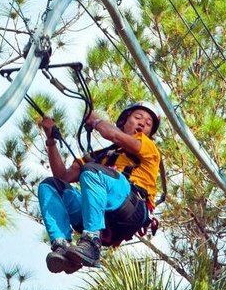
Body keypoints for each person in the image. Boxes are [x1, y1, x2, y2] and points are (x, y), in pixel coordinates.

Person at [37, 101, 161, 274]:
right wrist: (51, 141)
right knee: (50, 186)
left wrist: (96, 121)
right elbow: (63, 177)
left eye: (148, 123)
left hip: (130, 208)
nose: (142, 123)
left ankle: (91, 242)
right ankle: (63, 248)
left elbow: (114, 136)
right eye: (138, 117)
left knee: (92, 171)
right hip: (101, 215)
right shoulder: (101, 157)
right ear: (124, 121)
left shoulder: (148, 147)